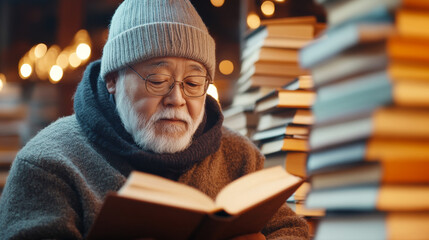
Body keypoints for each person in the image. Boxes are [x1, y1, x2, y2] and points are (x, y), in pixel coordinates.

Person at [0, 0, 309, 239]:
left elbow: (291, 229)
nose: (177, 99)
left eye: (193, 83)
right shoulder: (48, 164)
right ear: (113, 80)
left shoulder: (240, 157)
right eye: (158, 80)